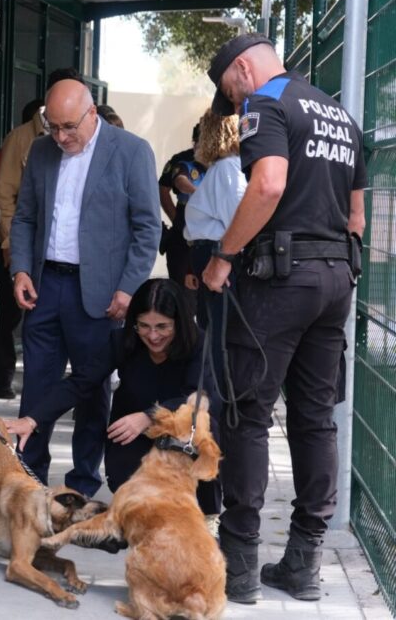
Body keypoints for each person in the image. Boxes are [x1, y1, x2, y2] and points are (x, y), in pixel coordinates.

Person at [202, 33, 366, 604]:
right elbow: (357, 216)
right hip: (335, 280)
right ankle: (304, 563)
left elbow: (267, 184)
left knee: (247, 412)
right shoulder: (340, 115)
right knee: (315, 416)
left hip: (279, 280)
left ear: (242, 70)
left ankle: (240, 566)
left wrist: (224, 256)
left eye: (230, 90)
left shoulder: (265, 105)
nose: (234, 101)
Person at [9, 78, 161, 495]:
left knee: (92, 392)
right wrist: (20, 269)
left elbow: (148, 228)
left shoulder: (130, 151)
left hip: (101, 296)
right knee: (37, 388)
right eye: (52, 126)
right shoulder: (41, 151)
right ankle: (30, 481)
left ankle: (81, 486)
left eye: (68, 127)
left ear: (92, 113)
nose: (60, 137)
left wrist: (129, 288)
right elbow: (23, 217)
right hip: (44, 287)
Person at [4, 278, 221, 515]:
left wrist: (149, 417)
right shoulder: (122, 340)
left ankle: (209, 519)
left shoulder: (198, 342)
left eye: (162, 326)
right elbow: (80, 383)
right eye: (144, 326)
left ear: (178, 323)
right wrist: (33, 419)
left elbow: (198, 398)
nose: (153, 336)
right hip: (131, 430)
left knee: (206, 436)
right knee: (130, 491)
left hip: (182, 429)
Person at [0, 69, 84, 399]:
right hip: (24, 254)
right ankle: (3, 378)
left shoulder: (98, 143)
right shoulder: (23, 139)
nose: (62, 133)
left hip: (77, 271)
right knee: (12, 319)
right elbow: (4, 198)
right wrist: (12, 248)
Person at [184, 108, 245, 395]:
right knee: (212, 331)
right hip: (208, 255)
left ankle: (225, 399)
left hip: (217, 256)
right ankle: (219, 396)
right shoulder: (224, 169)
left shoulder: (226, 169)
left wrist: (226, 260)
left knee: (219, 335)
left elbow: (237, 220)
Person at [158, 124, 205, 311]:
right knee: (184, 303)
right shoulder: (183, 160)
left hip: (211, 242)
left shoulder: (225, 161)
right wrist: (175, 217)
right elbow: (174, 183)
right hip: (183, 242)